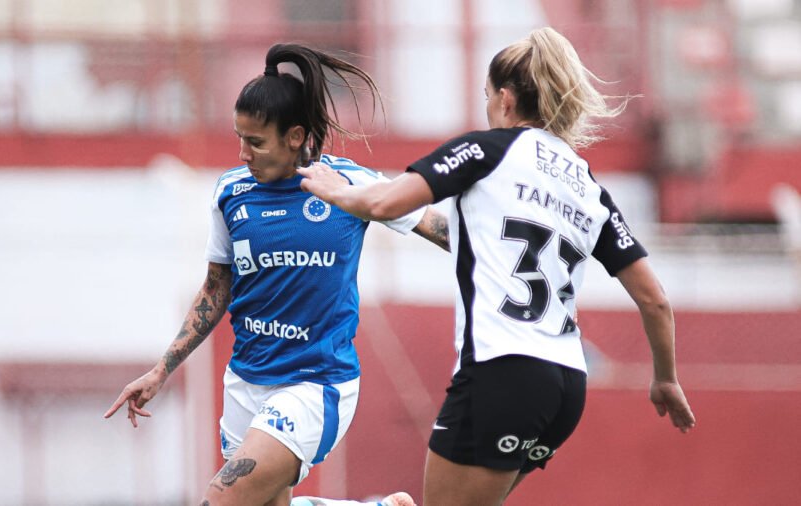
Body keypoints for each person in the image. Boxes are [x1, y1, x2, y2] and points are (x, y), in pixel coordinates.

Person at [298, 27, 696, 505]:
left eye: (487, 96)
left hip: (502, 371)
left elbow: (384, 202)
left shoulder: (487, 150)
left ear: (505, 99)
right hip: (566, 388)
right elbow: (655, 300)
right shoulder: (589, 188)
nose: (487, 107)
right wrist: (666, 378)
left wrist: (334, 188)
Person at [104, 43, 446, 506]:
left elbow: (440, 229)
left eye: (256, 142)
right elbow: (216, 288)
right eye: (239, 138)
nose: (243, 152)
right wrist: (161, 370)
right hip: (246, 383)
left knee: (222, 499)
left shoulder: (348, 185)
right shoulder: (230, 194)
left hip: (314, 385)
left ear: (295, 136)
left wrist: (511, 250)